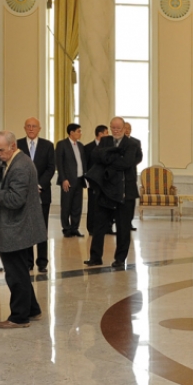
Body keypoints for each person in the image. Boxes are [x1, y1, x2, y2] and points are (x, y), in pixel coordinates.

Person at [0, 131, 46, 327]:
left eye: (1, 150)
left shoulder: (20, 167)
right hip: (19, 226)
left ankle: (19, 317)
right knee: (20, 271)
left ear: (13, 146)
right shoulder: (18, 161)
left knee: (15, 274)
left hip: (17, 227)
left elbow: (15, 200)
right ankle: (32, 309)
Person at [83, 116, 139, 270]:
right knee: (99, 225)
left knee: (123, 227)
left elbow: (127, 163)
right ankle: (95, 257)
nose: (115, 131)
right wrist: (114, 154)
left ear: (124, 128)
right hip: (105, 190)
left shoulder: (132, 144)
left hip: (124, 192)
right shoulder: (105, 141)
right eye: (113, 128)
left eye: (118, 128)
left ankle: (120, 259)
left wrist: (107, 158)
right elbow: (95, 156)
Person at [17, 118, 55, 272]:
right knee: (25, 228)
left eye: (34, 126)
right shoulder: (17, 145)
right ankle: (27, 262)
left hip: (42, 193)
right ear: (24, 128)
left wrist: (39, 185)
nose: (31, 129)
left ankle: (42, 262)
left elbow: (51, 168)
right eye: (28, 126)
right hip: (22, 194)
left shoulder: (48, 145)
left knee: (41, 228)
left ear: (39, 128)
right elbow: (14, 167)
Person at [56, 123, 85, 237]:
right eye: (78, 131)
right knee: (66, 205)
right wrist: (64, 179)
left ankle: (75, 228)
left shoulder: (80, 146)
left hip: (79, 180)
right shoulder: (62, 144)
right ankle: (66, 228)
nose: (80, 133)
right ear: (71, 132)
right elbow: (59, 163)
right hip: (67, 181)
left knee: (77, 206)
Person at [82, 124, 109, 237]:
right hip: (93, 182)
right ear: (100, 134)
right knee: (93, 205)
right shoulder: (88, 147)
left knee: (105, 206)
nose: (108, 135)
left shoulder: (108, 147)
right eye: (106, 133)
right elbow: (85, 165)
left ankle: (106, 227)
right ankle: (91, 228)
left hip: (106, 182)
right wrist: (87, 180)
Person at [121, 121, 142, 233]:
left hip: (131, 174)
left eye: (130, 128)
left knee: (130, 200)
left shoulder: (135, 142)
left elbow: (139, 157)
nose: (128, 130)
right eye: (126, 128)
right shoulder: (117, 141)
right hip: (118, 175)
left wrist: (129, 163)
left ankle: (129, 222)